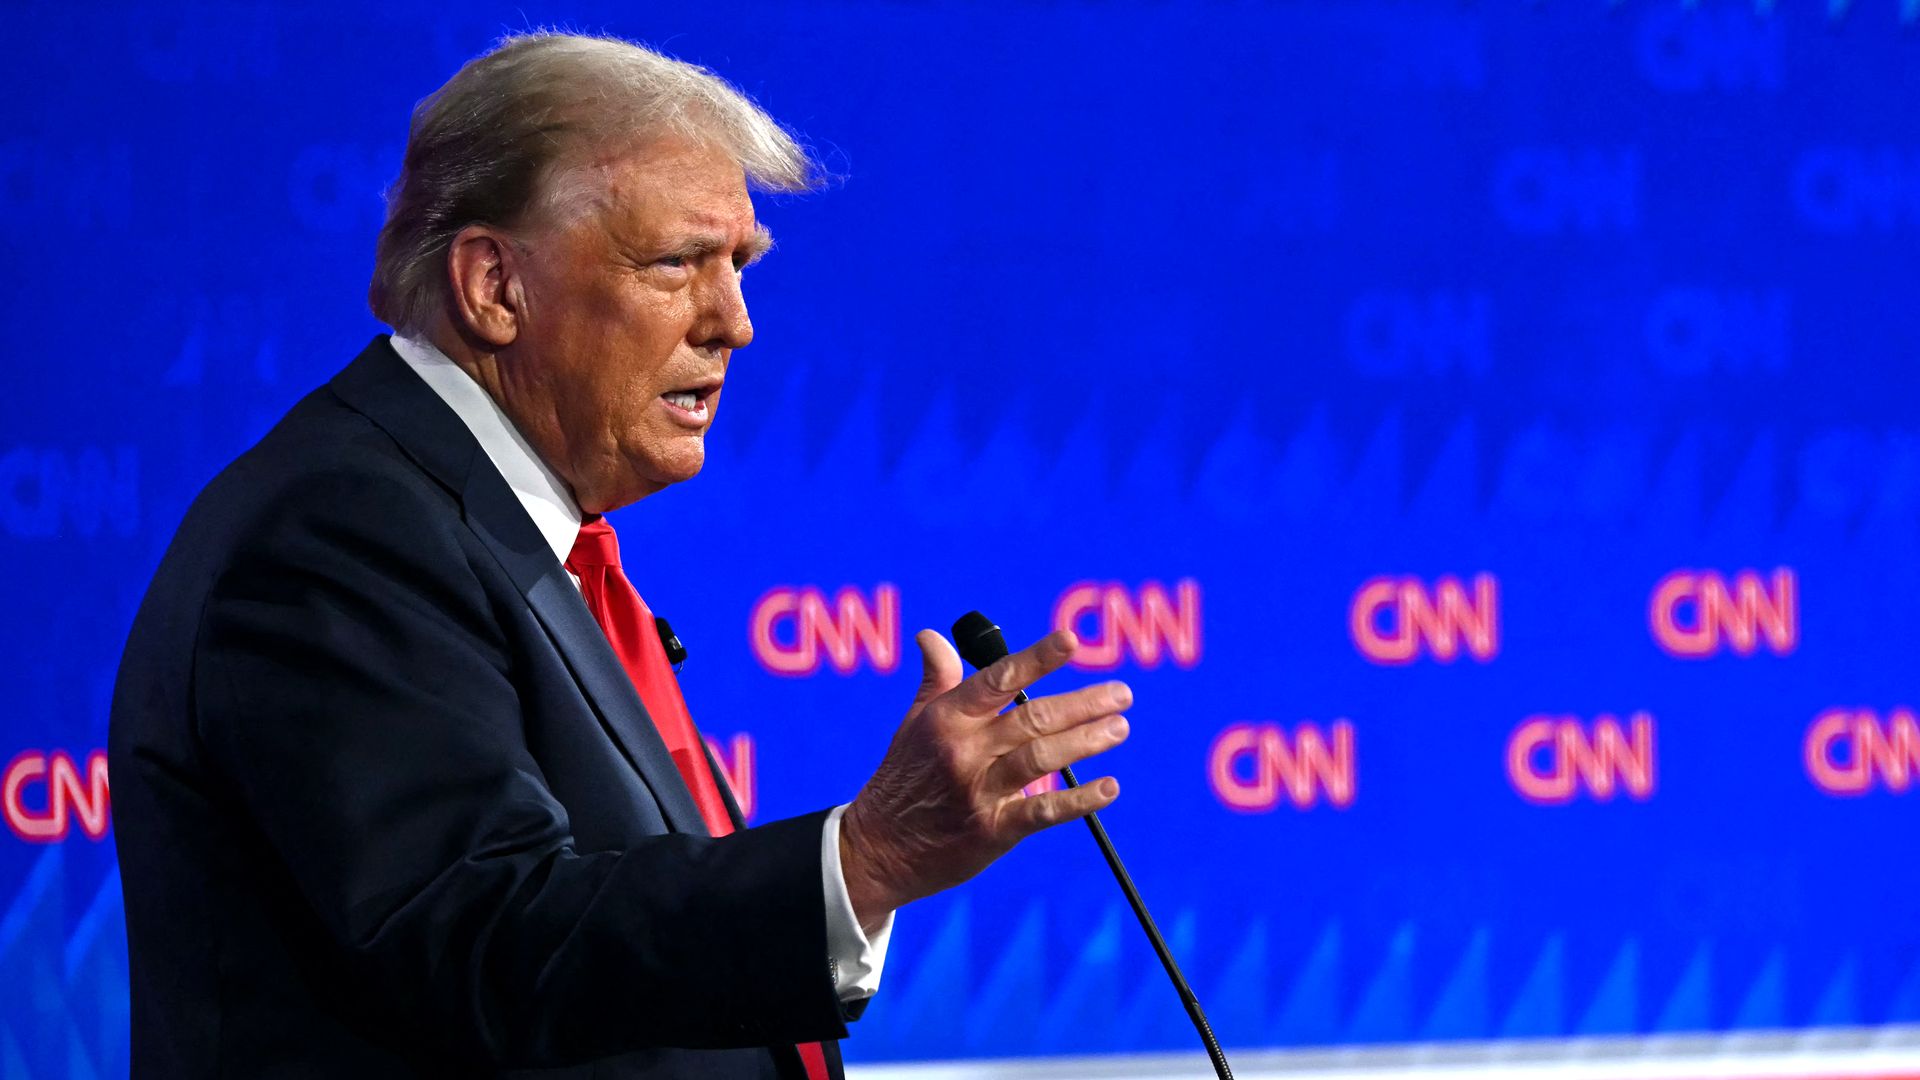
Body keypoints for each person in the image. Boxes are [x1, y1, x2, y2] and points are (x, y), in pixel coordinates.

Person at [109, 30, 1132, 1080]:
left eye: (739, 266)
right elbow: (479, 943)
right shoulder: (339, 534)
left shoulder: (505, 530)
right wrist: (863, 860)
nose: (733, 322)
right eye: (677, 263)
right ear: (493, 287)